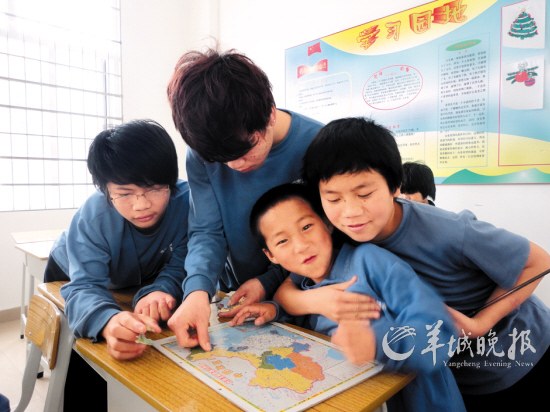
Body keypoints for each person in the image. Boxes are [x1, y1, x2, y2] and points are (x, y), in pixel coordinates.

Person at [277, 117, 550, 411]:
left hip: (519, 356)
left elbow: (537, 262)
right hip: (449, 369)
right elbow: (288, 288)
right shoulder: (340, 236)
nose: (351, 212)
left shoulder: (449, 230)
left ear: (395, 186)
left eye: (364, 194)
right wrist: (313, 300)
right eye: (334, 198)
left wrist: (481, 324)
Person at [165, 48, 373, 352]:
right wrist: (196, 292)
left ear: (270, 114)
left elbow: (329, 236)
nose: (236, 165)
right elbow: (207, 231)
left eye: (247, 149)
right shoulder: (202, 153)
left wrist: (269, 280)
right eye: (222, 160)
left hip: (311, 295)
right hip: (240, 294)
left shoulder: (320, 145)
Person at [231, 182, 465, 412]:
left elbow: (440, 332)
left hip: (422, 401)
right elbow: (299, 314)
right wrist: (274, 309)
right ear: (271, 255)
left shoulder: (370, 262)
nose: (301, 246)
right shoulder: (301, 282)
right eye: (283, 241)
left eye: (306, 227)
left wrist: (377, 342)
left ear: (327, 224)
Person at [45, 119, 190, 410]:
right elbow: (85, 285)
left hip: (136, 275)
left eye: (153, 188)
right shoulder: (94, 215)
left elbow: (180, 262)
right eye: (124, 194)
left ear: (171, 180)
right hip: (72, 269)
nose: (141, 205)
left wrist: (159, 290)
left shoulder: (187, 202)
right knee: (83, 340)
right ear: (106, 190)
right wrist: (107, 321)